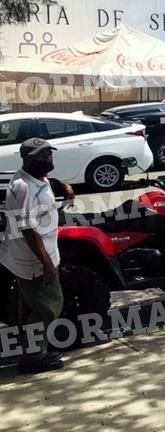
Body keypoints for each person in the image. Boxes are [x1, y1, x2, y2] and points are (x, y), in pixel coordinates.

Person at [0, 139, 72, 373]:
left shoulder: (34, 178)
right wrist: (47, 264)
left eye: (49, 154)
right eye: (43, 156)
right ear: (28, 158)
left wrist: (63, 187)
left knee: (32, 307)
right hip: (33, 261)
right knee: (48, 307)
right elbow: (28, 229)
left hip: (34, 257)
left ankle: (35, 348)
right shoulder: (23, 187)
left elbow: (45, 184)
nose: (49, 159)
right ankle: (33, 357)